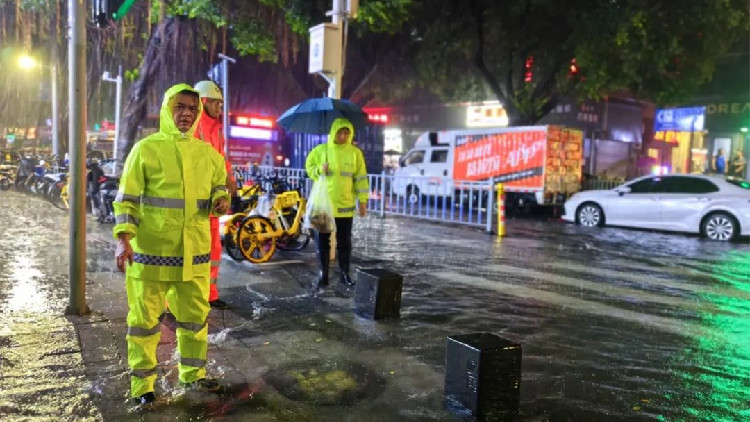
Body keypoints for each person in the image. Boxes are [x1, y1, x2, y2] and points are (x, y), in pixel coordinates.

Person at [113, 83, 230, 406]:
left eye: (192, 109)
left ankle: (193, 375)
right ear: (167, 108)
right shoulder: (145, 150)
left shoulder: (208, 155)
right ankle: (143, 387)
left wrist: (221, 199)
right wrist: (123, 240)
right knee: (144, 325)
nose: (186, 113)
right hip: (151, 256)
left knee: (194, 322)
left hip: (193, 257)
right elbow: (127, 201)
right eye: (180, 107)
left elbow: (220, 187)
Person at [305, 118, 369, 289]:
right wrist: (319, 169)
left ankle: (344, 274)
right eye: (340, 132)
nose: (343, 136)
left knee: (344, 242)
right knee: (322, 242)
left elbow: (361, 179)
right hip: (324, 206)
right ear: (333, 132)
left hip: (345, 206)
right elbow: (309, 167)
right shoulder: (321, 150)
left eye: (346, 133)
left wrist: (363, 202)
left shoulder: (355, 153)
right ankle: (323, 275)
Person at [193, 80, 236, 310]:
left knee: (213, 249)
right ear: (204, 102)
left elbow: (221, 159)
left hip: (213, 198)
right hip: (193, 200)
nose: (221, 108)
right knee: (190, 250)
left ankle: (210, 294)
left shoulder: (217, 130)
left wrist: (230, 178)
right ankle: (176, 301)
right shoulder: (193, 126)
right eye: (217, 103)